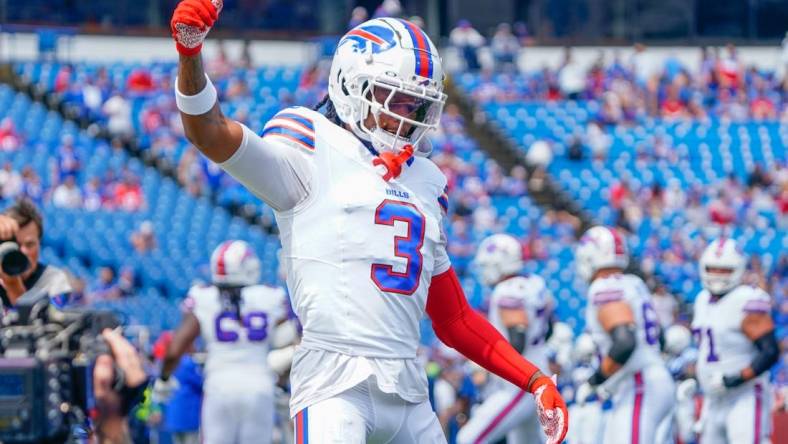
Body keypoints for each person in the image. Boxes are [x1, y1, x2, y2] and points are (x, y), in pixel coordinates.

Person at [169, 3, 568, 443]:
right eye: (393, 97)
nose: (407, 114)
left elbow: (453, 318)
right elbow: (209, 132)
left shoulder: (426, 181)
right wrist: (190, 55)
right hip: (334, 383)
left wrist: (534, 379)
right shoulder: (311, 142)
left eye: (416, 103)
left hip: (410, 389)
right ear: (349, 86)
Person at [153, 240, 288, 444]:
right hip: (259, 384)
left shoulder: (204, 296)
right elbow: (293, 338)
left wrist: (163, 379)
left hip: (219, 385)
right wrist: (281, 381)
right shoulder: (270, 296)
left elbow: (175, 348)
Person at [574, 226, 674, 444]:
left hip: (639, 384)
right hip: (649, 380)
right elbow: (661, 337)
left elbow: (625, 342)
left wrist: (595, 380)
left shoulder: (604, 287)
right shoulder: (634, 283)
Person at [457, 234, 554, 443]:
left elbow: (517, 340)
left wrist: (485, 358)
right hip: (537, 375)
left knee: (468, 438)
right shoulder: (535, 283)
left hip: (521, 384)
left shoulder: (506, 291)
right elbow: (549, 329)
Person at [690, 238, 779, 443]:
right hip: (713, 398)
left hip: (745, 395)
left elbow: (770, 351)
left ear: (738, 270)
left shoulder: (747, 299)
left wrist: (737, 378)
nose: (717, 275)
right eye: (713, 268)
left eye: (725, 270)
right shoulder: (702, 299)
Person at [0, 198, 73, 310]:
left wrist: (12, 284)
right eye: (16, 245)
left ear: (39, 244)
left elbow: (41, 323)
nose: (23, 251)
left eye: (30, 245)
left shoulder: (54, 281)